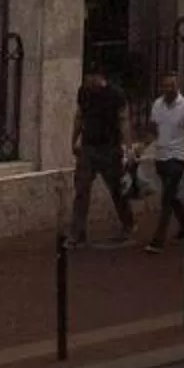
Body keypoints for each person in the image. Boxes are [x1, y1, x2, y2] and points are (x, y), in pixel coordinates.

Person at [68, 67, 134, 246]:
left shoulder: (115, 95)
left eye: (89, 77)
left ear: (99, 77)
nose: (87, 81)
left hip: (110, 148)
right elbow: (79, 116)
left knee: (116, 190)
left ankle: (128, 224)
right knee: (81, 189)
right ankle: (77, 232)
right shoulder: (84, 93)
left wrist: (128, 148)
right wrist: (74, 140)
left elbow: (123, 121)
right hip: (89, 146)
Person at [144, 66, 184, 253]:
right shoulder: (157, 105)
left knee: (167, 197)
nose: (169, 88)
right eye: (165, 85)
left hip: (177, 156)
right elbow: (153, 130)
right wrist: (142, 147)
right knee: (173, 196)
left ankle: (158, 239)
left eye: (172, 85)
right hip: (161, 156)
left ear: (177, 85)